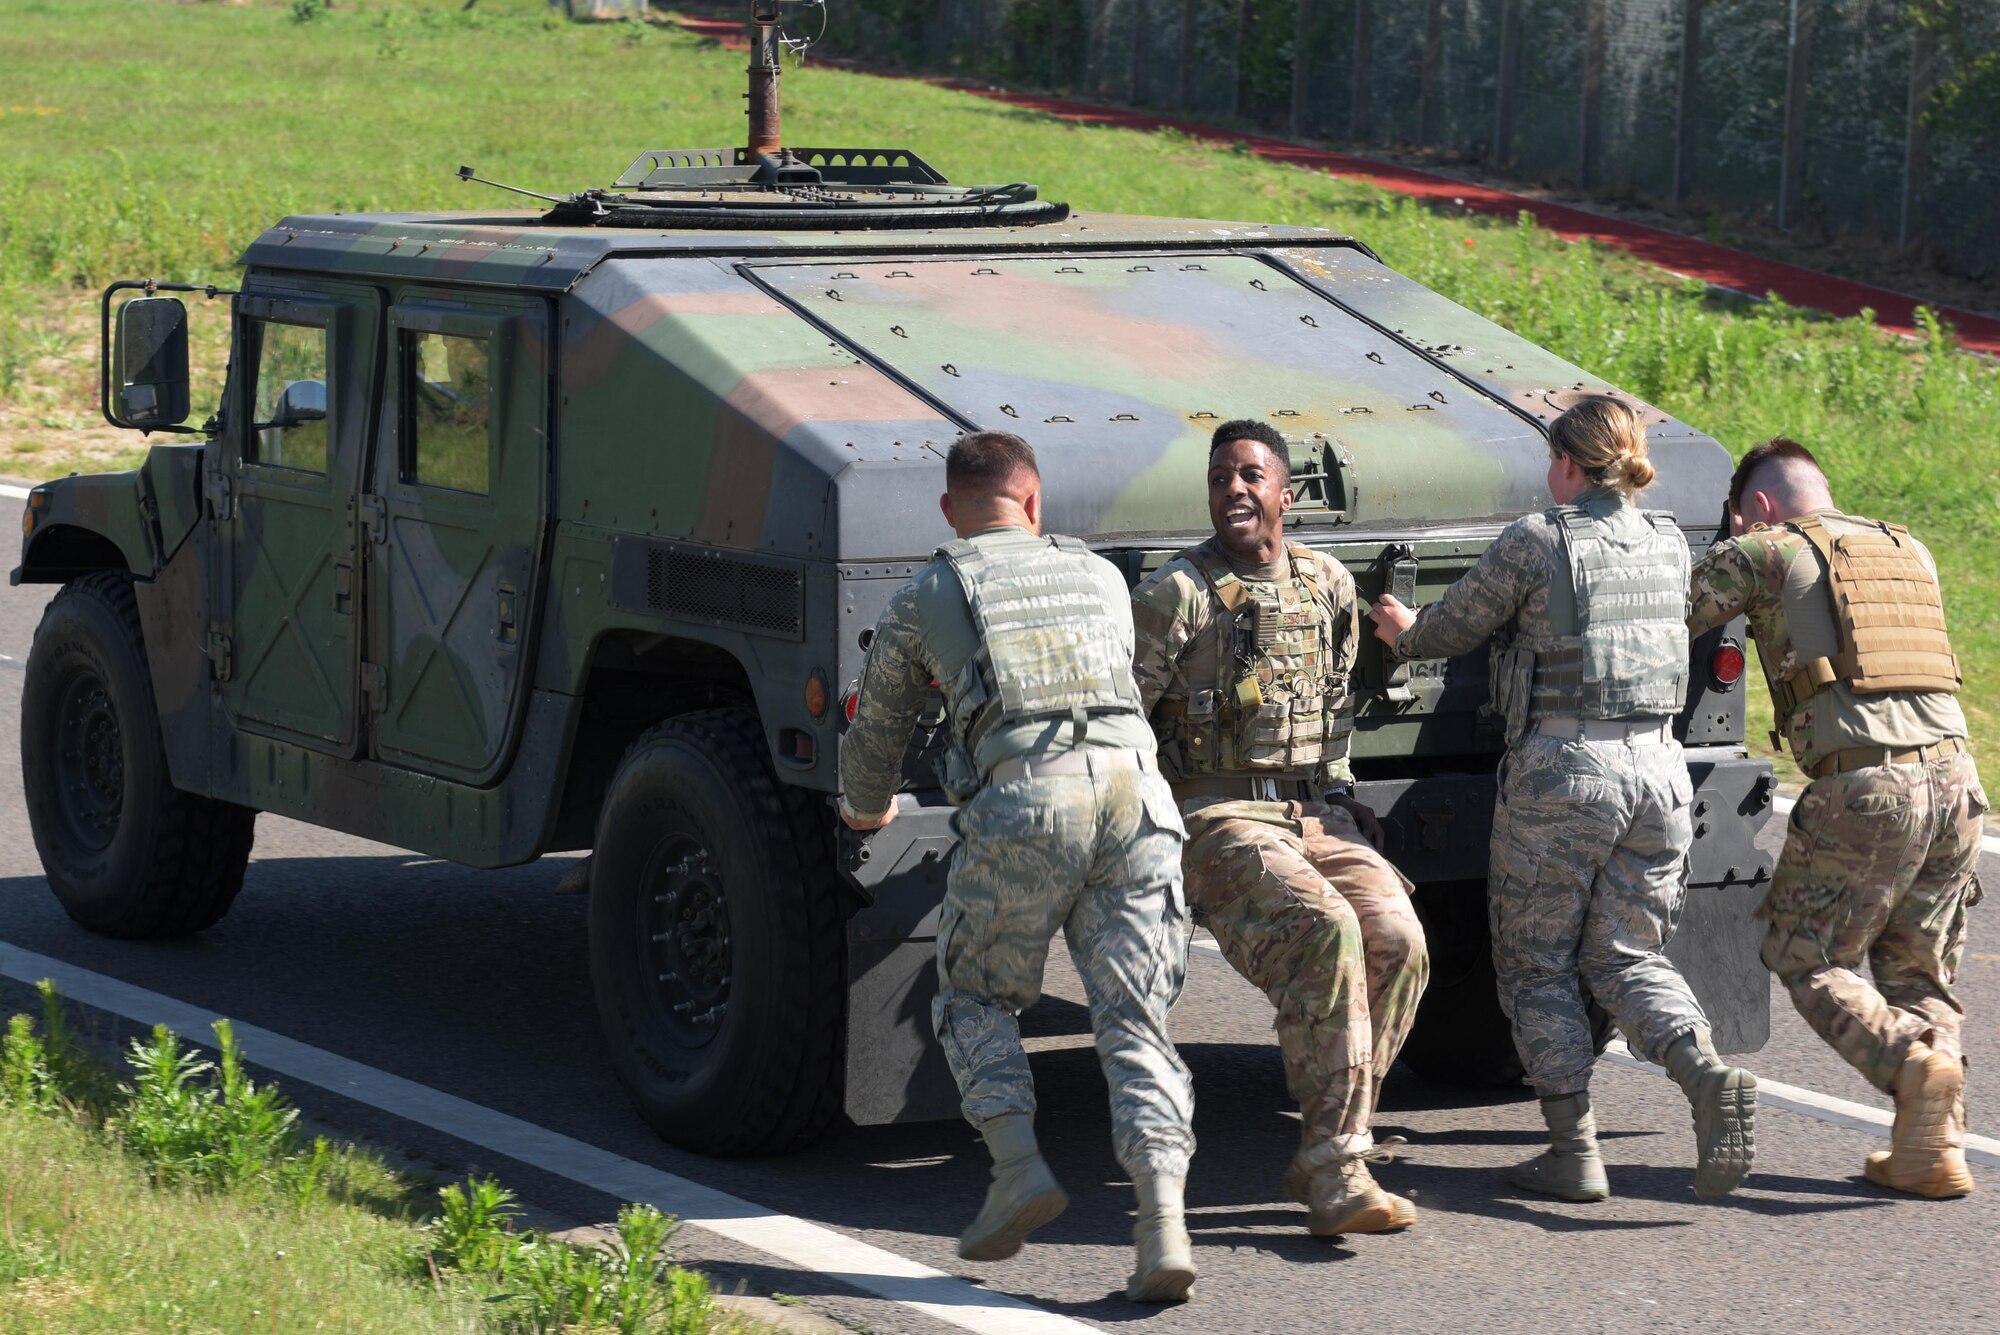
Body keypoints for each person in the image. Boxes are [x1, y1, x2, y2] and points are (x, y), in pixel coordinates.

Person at [837, 431, 1199, 1300]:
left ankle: (1017, 1168)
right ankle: (1162, 1225)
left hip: (1027, 802)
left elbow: (876, 742)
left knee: (972, 994)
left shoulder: (929, 590)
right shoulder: (1101, 576)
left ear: (949, 511)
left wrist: (867, 808)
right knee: (1135, 1016)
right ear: (1034, 504)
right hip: (1139, 796)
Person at [1370, 396, 1757, 1203]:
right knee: (1627, 956)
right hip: (1659, 769)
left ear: (1570, 465)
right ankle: (1702, 1067)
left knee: (1537, 962)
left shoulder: (1538, 539)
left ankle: (1572, 1150)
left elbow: (1457, 626)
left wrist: (1405, 629)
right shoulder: (1667, 543)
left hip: (1563, 772)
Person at [1131, 419, 1430, 1236]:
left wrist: (1338, 799)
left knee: (1398, 942)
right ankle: (1338, 1169)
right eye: (1221, 477)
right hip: (1218, 815)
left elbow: (1338, 696)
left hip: (1315, 812)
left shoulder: (1328, 582)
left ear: (1284, 495)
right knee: (1326, 931)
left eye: (1251, 476)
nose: (1234, 489)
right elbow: (1124, 715)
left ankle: (1333, 1142)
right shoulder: (1177, 595)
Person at [1688, 437, 1983, 1198]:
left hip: (1865, 788)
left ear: (1755, 508)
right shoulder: (1908, 548)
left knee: (1804, 952)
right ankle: (1931, 1147)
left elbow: (1665, 618)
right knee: (1917, 967)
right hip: (1956, 782)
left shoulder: (1765, 550)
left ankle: (1909, 1060)